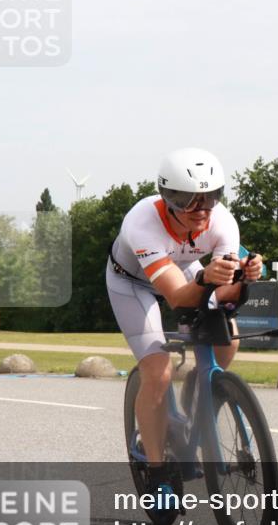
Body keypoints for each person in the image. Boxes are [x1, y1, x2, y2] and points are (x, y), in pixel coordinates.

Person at [107, 147, 263, 506]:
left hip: (184, 269)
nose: (203, 209)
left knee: (229, 338)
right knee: (158, 371)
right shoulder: (141, 223)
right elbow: (178, 297)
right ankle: (159, 472)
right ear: (168, 198)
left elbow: (222, 292)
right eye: (190, 200)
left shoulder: (223, 222)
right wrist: (209, 278)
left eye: (211, 197)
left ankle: (200, 388)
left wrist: (245, 278)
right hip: (132, 282)